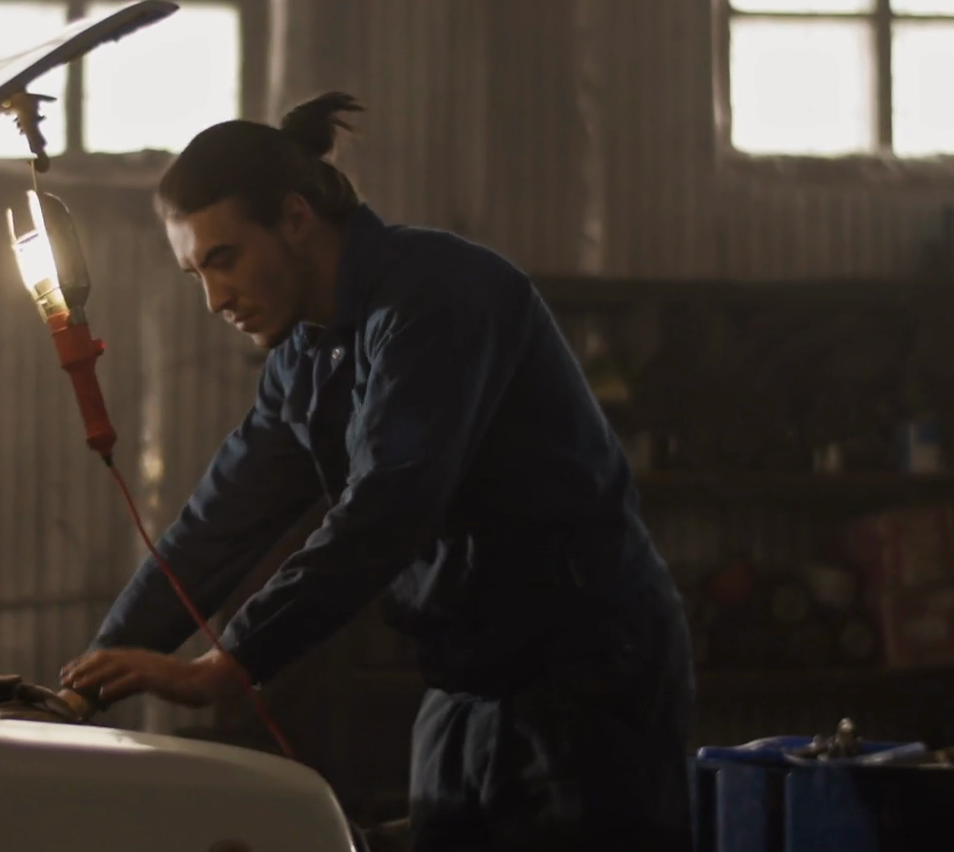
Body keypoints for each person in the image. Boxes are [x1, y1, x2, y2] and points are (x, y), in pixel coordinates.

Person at [61, 92, 695, 851]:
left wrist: (229, 664)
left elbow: (391, 502)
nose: (213, 299)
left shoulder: (440, 295)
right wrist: (83, 685)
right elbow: (218, 523)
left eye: (223, 259)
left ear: (295, 218)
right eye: (195, 272)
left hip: (587, 679)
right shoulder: (303, 357)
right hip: (463, 683)